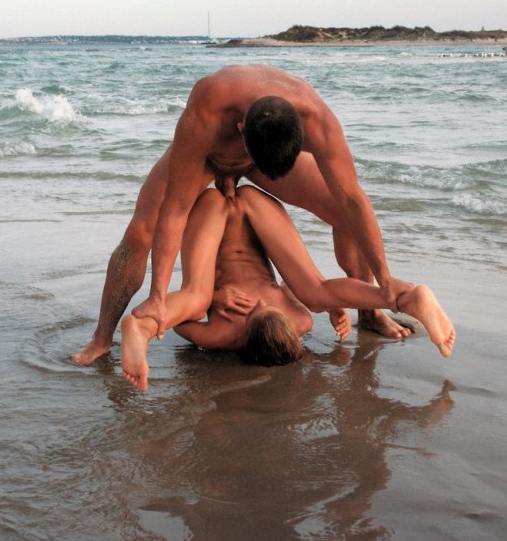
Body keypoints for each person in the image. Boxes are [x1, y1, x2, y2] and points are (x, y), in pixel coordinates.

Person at [72, 64, 411, 366]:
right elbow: (175, 211)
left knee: (344, 213)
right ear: (239, 128)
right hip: (206, 156)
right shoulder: (208, 109)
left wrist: (386, 278)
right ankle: (102, 337)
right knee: (141, 232)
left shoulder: (317, 119)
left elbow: (353, 199)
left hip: (267, 155)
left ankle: (370, 312)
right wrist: (159, 298)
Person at [121, 185, 456, 392]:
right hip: (254, 205)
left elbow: (181, 323)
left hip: (213, 209)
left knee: (196, 298)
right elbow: (289, 288)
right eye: (273, 306)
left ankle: (142, 327)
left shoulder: (223, 335)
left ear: (244, 333)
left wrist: (214, 298)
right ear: (291, 325)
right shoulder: (299, 320)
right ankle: (405, 296)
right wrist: (330, 304)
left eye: (252, 310)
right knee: (318, 291)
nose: (258, 302)